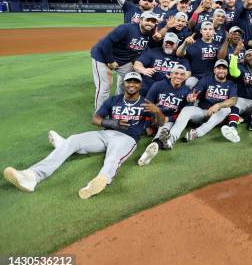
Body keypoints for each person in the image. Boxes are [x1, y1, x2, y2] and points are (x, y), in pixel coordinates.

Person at [4, 73, 164, 199]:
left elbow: (160, 123)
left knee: (113, 157)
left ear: (140, 85)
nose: (132, 85)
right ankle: (32, 176)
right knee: (74, 140)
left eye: (135, 82)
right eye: (129, 81)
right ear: (124, 83)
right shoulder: (114, 100)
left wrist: (157, 111)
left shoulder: (146, 104)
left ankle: (100, 181)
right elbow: (95, 119)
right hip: (106, 134)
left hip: (127, 139)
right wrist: (113, 124)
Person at [90, 11, 160, 111]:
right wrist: (110, 60)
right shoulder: (126, 28)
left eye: (153, 21)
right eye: (147, 20)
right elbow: (105, 42)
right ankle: (100, 115)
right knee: (105, 87)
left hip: (123, 61)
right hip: (102, 57)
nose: (150, 23)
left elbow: (151, 48)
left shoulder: (151, 34)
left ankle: (118, 105)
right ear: (141, 20)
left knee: (130, 81)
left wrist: (156, 40)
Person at [169, 59, 241, 143]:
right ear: (214, 70)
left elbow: (233, 100)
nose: (221, 70)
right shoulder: (206, 80)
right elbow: (196, 91)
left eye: (224, 68)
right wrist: (191, 96)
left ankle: (197, 133)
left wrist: (218, 105)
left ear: (227, 71)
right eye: (219, 68)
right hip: (202, 112)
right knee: (186, 110)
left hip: (217, 115)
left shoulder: (231, 84)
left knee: (227, 109)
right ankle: (171, 138)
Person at [137, 65, 193, 166]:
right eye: (176, 73)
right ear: (170, 74)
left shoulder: (187, 92)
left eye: (182, 74)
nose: (179, 76)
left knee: (163, 131)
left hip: (170, 120)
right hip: (155, 116)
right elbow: (147, 104)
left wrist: (169, 118)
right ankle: (163, 142)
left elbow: (184, 114)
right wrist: (148, 124)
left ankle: (150, 150)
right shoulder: (158, 85)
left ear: (185, 77)